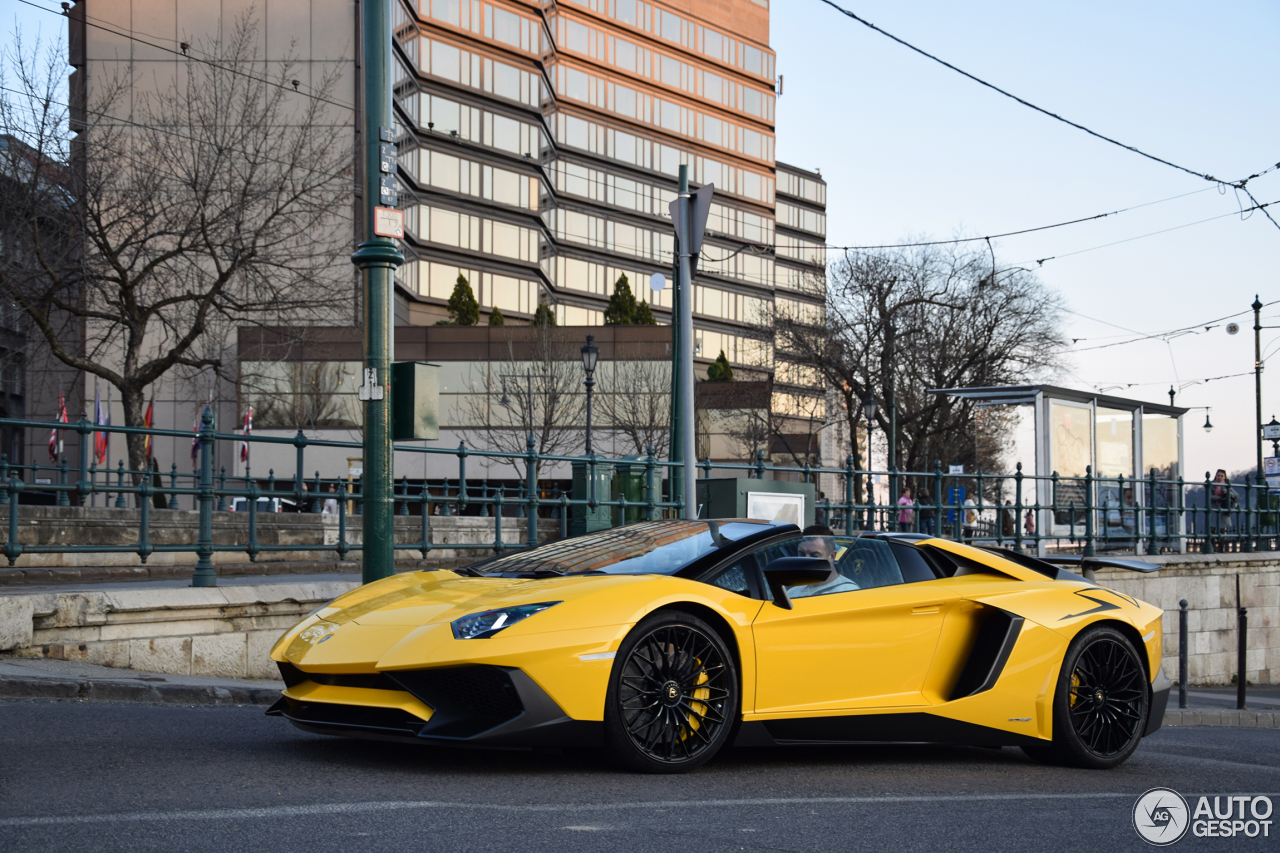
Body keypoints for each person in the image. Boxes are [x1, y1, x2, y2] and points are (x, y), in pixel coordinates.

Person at [792, 524, 860, 599]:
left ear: (832, 556)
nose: (805, 560)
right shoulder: (794, 591)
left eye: (814, 555)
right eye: (801, 554)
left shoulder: (848, 592)